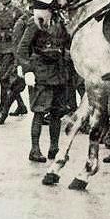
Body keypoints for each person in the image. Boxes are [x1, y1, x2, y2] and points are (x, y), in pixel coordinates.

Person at [16, 11, 71, 162]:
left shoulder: (61, 20)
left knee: (56, 112)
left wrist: (66, 53)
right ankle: (35, 149)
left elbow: (67, 43)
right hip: (41, 71)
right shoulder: (36, 21)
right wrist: (27, 70)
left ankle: (54, 147)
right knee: (39, 112)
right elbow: (22, 48)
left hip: (59, 71)